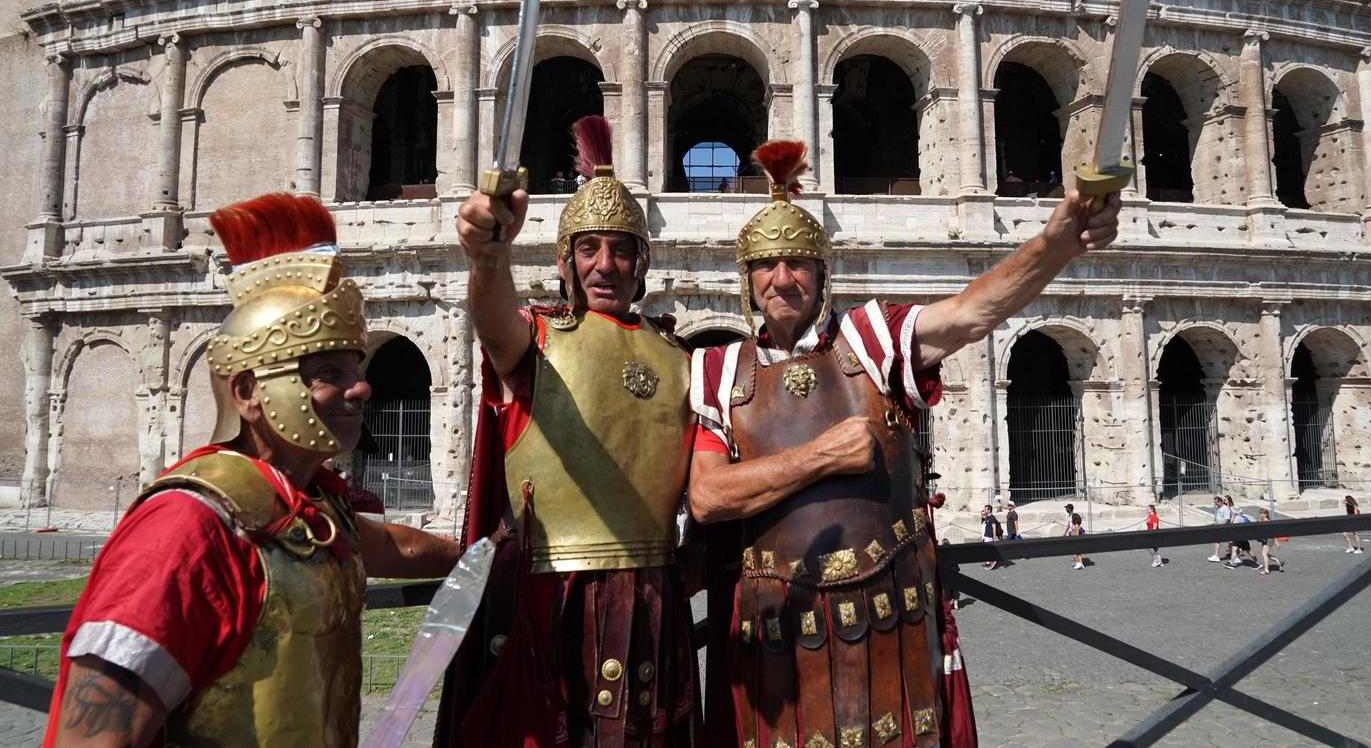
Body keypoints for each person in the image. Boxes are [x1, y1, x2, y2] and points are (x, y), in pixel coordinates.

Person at [687, 139, 1121, 747]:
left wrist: (1057, 243)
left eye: (798, 263)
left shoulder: (871, 335)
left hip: (889, 617)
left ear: (821, 273)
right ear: (746, 278)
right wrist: (823, 456)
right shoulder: (717, 368)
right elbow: (708, 498)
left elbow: (972, 312)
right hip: (774, 628)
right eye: (766, 264)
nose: (781, 279)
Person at [44, 193, 461, 747]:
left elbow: (389, 548)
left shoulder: (306, 509)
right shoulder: (184, 529)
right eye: (327, 372)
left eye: (355, 368)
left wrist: (482, 553)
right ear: (248, 393)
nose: (360, 387)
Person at [438, 117, 699, 747]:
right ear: (563, 262)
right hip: (549, 594)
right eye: (588, 249)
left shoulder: (679, 355)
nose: (604, 265)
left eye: (621, 249)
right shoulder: (537, 337)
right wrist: (490, 255)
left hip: (650, 595)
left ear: (644, 263)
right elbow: (494, 321)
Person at [1257, 509, 1284, 575]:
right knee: (1266, 554)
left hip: (1269, 539)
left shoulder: (1267, 522)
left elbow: (1273, 532)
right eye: (1260, 513)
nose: (1261, 515)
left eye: (1262, 514)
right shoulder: (1262, 521)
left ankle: (1266, 569)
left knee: (1264, 554)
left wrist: (1276, 542)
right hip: (1264, 539)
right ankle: (1278, 561)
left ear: (1265, 514)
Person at [1207, 495, 1230, 562]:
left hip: (1223, 528)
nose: (1216, 504)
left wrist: (1220, 526)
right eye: (1215, 502)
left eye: (1217, 502)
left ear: (1221, 501)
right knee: (1218, 541)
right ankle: (1216, 555)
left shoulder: (1225, 509)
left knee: (1231, 543)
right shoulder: (1219, 508)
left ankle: (1217, 556)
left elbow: (1226, 519)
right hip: (1219, 527)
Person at [981, 505, 1002, 570]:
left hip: (990, 537)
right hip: (986, 536)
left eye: (985, 509)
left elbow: (994, 527)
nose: (984, 510)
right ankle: (988, 562)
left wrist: (994, 536)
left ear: (989, 510)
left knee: (987, 551)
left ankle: (992, 562)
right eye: (984, 509)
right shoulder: (987, 517)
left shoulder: (992, 517)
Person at [1146, 503, 1163, 567]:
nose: (1147, 510)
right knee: (1155, 548)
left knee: (1150, 547)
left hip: (1153, 534)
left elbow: (1154, 527)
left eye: (1148, 509)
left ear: (1152, 509)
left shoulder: (1154, 517)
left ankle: (1156, 560)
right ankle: (1160, 562)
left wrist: (1152, 535)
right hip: (1149, 533)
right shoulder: (1149, 516)